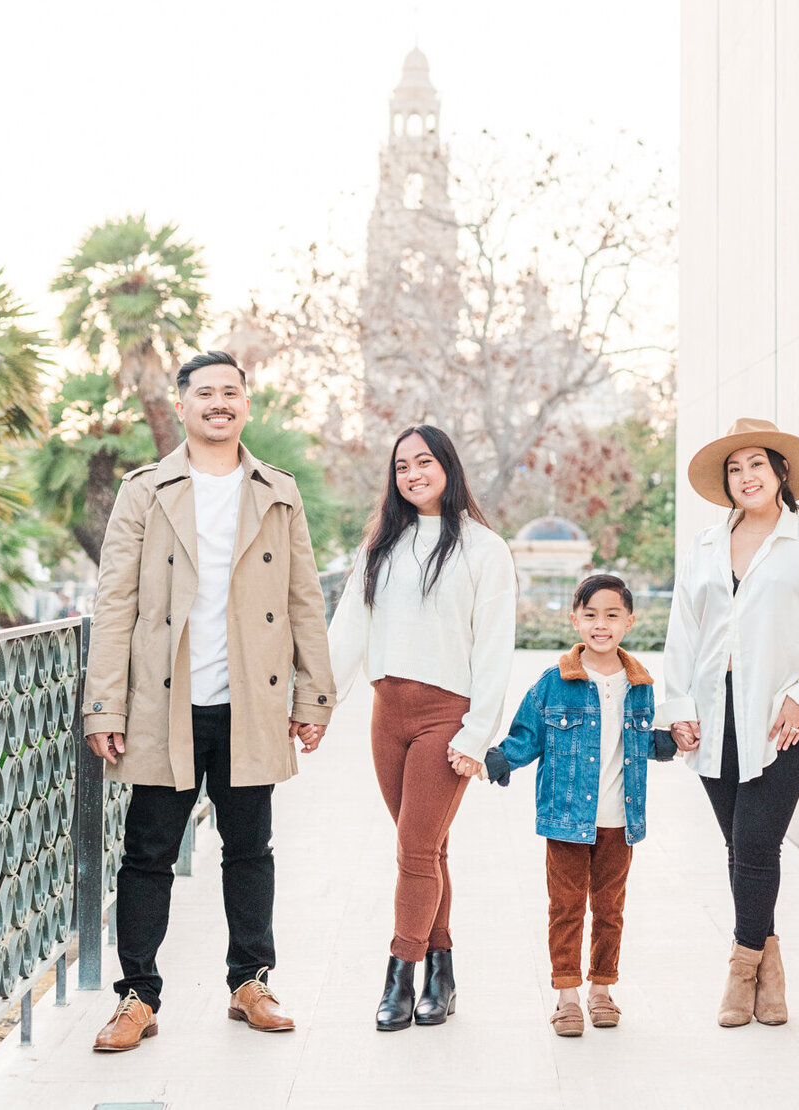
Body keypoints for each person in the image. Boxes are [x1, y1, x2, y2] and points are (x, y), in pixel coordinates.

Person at [82, 351, 336, 1051]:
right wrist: (104, 705)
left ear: (245, 407)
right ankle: (137, 998)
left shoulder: (276, 490)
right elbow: (115, 602)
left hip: (249, 701)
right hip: (164, 702)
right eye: (206, 393)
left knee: (250, 849)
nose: (219, 403)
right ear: (183, 405)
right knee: (148, 854)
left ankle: (250, 982)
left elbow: (304, 600)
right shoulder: (147, 489)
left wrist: (313, 695)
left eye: (232, 392)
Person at [660, 416, 799, 1028]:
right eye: (734, 467)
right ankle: (769, 967)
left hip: (782, 719)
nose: (745, 476)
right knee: (740, 846)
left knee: (754, 842)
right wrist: (679, 710)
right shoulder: (703, 546)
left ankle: (740, 968)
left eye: (756, 464)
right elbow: (683, 632)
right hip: (711, 712)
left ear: (780, 472)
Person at [328, 424, 517, 1032]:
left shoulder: (484, 548)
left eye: (424, 462)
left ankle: (399, 977)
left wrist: (476, 735)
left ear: (448, 467)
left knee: (413, 851)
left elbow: (494, 647)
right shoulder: (380, 544)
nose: (413, 474)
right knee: (428, 849)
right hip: (388, 715)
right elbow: (347, 632)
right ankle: (444, 971)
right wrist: (317, 706)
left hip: (446, 717)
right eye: (402, 466)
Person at [481, 574, 675, 1036]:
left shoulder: (640, 685)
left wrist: (671, 742)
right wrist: (494, 760)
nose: (600, 625)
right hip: (566, 818)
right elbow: (528, 736)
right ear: (575, 621)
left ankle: (602, 989)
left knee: (610, 908)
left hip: (620, 820)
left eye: (611, 615)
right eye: (590, 616)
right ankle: (567, 997)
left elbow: (643, 740)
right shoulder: (554, 683)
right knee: (565, 906)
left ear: (629, 621)